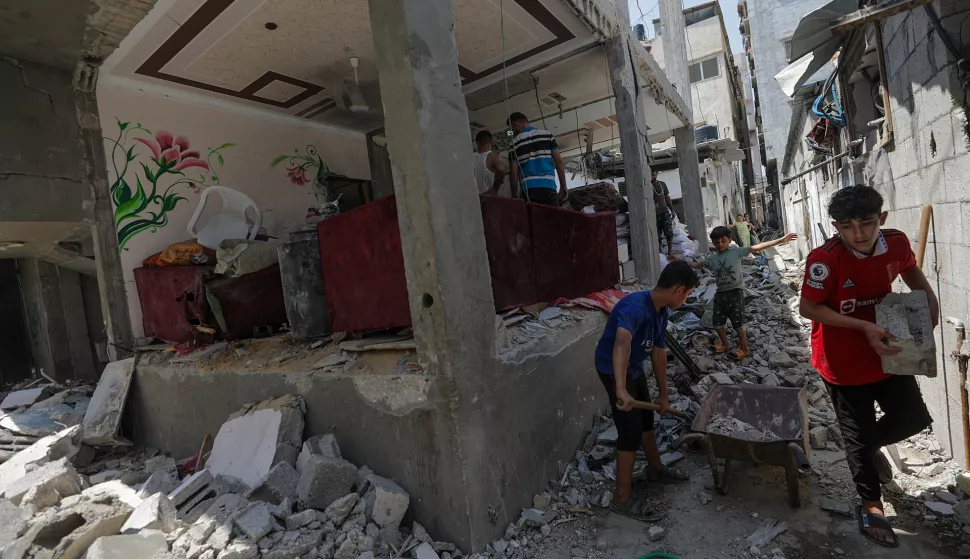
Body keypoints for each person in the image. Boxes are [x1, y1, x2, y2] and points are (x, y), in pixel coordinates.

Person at [798, 185, 938, 548]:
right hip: (841, 358)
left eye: (867, 223)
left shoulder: (897, 242)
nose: (858, 234)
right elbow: (808, 308)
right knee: (856, 428)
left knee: (912, 418)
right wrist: (864, 326)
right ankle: (871, 506)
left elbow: (912, 274)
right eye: (847, 226)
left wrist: (928, 305)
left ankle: (864, 448)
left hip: (890, 352)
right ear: (836, 227)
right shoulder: (823, 260)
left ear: (882, 219)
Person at [594, 261, 699, 521]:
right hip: (612, 368)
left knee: (646, 421)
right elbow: (621, 343)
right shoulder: (634, 307)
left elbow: (659, 352)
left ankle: (655, 470)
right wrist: (620, 389)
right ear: (678, 289)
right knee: (629, 430)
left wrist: (662, 395)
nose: (686, 299)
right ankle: (621, 499)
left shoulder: (660, 311)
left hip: (633, 366)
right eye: (687, 294)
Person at [679, 226, 797, 360]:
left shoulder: (736, 252)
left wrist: (781, 240)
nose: (720, 245)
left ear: (730, 240)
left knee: (738, 322)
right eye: (717, 242)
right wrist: (680, 261)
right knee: (717, 321)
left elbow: (757, 247)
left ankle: (744, 348)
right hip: (720, 293)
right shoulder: (712, 259)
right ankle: (724, 344)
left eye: (723, 241)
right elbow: (697, 265)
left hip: (735, 293)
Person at [507, 112, 568, 206]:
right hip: (548, 187)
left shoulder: (514, 144)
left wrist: (514, 195)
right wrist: (563, 185)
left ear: (516, 125)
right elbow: (558, 161)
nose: (512, 133)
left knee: (534, 219)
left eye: (512, 130)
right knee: (554, 219)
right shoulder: (547, 135)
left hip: (528, 190)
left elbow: (514, 172)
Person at [472, 130, 507, 196]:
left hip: (474, 198)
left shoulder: (470, 158)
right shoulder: (494, 157)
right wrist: (494, 190)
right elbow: (501, 171)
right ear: (492, 142)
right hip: (488, 198)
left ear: (477, 143)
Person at [651, 170, 674, 255]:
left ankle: (670, 252)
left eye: (654, 175)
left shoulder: (662, 184)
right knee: (657, 235)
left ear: (656, 174)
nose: (653, 176)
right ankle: (660, 253)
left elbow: (667, 197)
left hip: (664, 212)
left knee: (669, 233)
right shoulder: (647, 186)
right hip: (654, 215)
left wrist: (672, 210)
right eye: (651, 175)